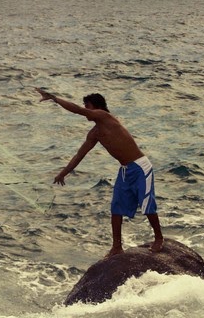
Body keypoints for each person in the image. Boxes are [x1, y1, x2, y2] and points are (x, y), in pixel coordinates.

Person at [36, 88, 164, 256]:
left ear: (96, 107)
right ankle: (116, 247)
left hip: (140, 167)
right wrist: (63, 173)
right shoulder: (95, 133)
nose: (86, 109)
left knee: (147, 205)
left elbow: (78, 111)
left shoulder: (106, 117)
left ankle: (159, 238)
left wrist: (55, 98)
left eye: (87, 106)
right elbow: (79, 155)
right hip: (125, 170)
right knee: (116, 207)